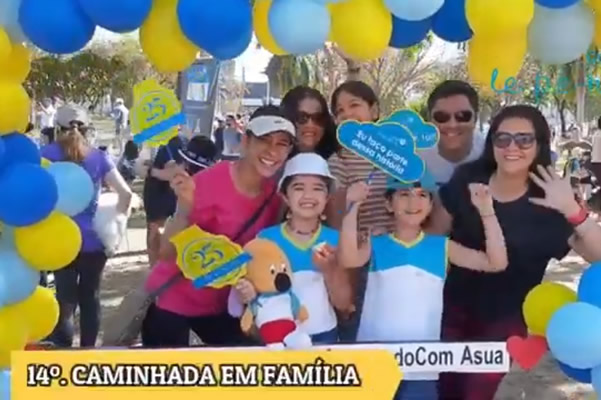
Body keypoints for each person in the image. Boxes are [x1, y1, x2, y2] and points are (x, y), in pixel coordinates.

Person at [428, 105, 601, 400]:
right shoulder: (467, 179)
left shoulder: (551, 197)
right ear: (491, 142)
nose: (512, 147)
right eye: (503, 138)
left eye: (524, 139)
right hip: (447, 311)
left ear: (539, 145)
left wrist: (573, 210)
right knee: (439, 390)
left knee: (474, 395)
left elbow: (597, 256)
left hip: (505, 323)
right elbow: (431, 239)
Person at [339, 169, 508, 400]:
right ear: (389, 204)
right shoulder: (375, 243)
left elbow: (496, 263)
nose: (413, 201)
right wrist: (353, 206)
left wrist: (487, 211)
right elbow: (348, 258)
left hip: (422, 364)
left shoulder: (442, 246)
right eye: (404, 194)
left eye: (422, 195)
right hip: (373, 361)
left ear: (430, 205)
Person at [141, 105, 295, 347]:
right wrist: (184, 209)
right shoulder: (208, 182)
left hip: (223, 309)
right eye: (264, 140)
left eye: (282, 143)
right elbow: (166, 253)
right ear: (245, 141)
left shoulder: (276, 198)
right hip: (174, 302)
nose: (272, 150)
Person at [41, 105, 133, 348]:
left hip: (60, 240)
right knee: (90, 298)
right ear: (86, 129)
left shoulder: (46, 155)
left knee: (65, 300)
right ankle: (88, 353)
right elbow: (126, 194)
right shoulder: (100, 157)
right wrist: (117, 222)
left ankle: (63, 352)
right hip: (94, 242)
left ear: (57, 128)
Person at [241, 153, 354, 344]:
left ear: (327, 197)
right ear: (285, 196)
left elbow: (344, 305)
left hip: (324, 337)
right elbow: (254, 295)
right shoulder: (265, 239)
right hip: (276, 340)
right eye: (299, 188)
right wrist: (247, 294)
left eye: (318, 188)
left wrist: (330, 271)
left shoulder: (336, 240)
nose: (308, 196)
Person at [325, 81, 393, 342]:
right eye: (340, 111)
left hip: (398, 257)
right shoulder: (338, 162)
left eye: (355, 105)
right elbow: (335, 221)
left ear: (374, 110)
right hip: (362, 265)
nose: (347, 114)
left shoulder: (397, 154)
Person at [420, 80, 484, 186]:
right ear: (430, 120)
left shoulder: (493, 153)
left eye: (463, 116)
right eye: (441, 117)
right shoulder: (415, 157)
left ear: (475, 119)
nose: (452, 125)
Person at [142, 135, 186, 268]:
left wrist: (151, 171)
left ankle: (157, 273)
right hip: (156, 198)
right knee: (153, 236)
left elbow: (174, 172)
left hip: (162, 199)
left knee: (157, 238)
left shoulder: (169, 142)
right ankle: (154, 271)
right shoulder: (156, 141)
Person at [280, 86, 338, 160]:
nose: (310, 124)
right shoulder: (274, 162)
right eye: (302, 117)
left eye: (318, 118)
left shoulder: (338, 161)